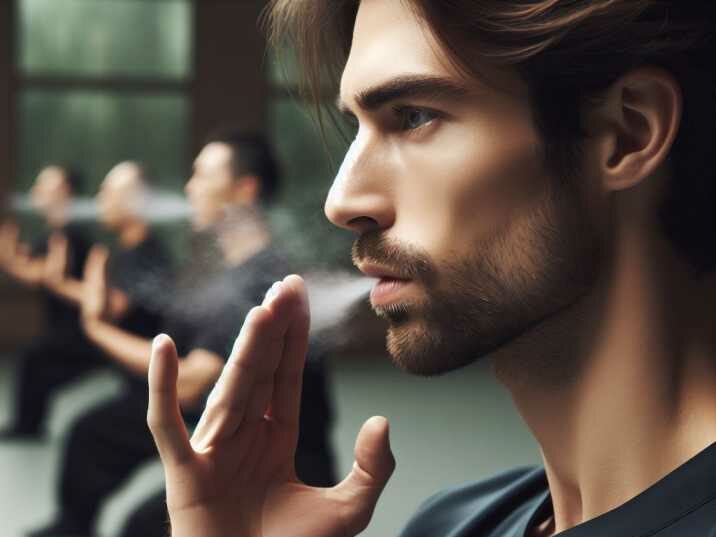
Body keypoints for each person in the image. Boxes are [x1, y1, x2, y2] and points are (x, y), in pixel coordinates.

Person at [144, 1, 716, 537]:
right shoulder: (450, 523)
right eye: (357, 128)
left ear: (626, 133)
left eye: (413, 116)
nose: (342, 201)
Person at [33, 130, 336, 537]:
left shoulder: (263, 280)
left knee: (142, 528)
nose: (189, 188)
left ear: (244, 190)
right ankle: (71, 526)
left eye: (201, 176)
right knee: (92, 434)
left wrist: (96, 328)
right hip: (218, 418)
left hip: (279, 460)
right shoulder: (223, 268)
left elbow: (190, 382)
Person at [25, 161, 173, 537]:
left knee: (87, 433)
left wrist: (62, 283)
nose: (99, 201)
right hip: (136, 381)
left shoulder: (149, 255)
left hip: (165, 391)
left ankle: (74, 525)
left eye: (109, 193)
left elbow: (112, 306)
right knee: (86, 435)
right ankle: (73, 524)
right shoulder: (128, 250)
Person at [0, 164, 96, 440]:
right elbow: (32, 266)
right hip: (59, 325)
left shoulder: (70, 234)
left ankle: (28, 426)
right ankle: (29, 425)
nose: (36, 192)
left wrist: (9, 258)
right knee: (35, 365)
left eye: (45, 186)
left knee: (33, 361)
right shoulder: (52, 233)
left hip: (79, 330)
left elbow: (40, 275)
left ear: (65, 192)